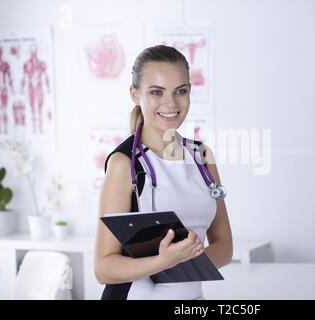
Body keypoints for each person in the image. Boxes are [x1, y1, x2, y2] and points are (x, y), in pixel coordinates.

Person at [94, 45, 233, 300]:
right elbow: (103, 269)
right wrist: (163, 262)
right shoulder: (124, 164)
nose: (171, 103)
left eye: (180, 91)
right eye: (156, 92)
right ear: (135, 95)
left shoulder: (202, 156)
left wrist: (188, 262)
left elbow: (224, 245)